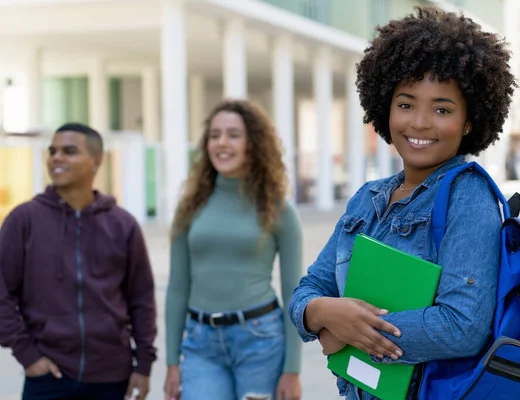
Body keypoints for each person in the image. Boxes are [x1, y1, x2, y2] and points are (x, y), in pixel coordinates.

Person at [288, 7, 517, 400]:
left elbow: (461, 325)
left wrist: (350, 333)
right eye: (406, 104)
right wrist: (322, 315)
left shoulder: (468, 196)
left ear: (469, 122)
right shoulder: (366, 199)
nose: (420, 122)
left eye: (442, 109)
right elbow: (309, 288)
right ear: (385, 108)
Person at [0, 123, 157, 400]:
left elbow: (141, 298)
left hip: (112, 376)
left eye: (69, 151)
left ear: (96, 162)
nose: (56, 158)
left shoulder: (122, 224)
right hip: (49, 374)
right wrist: (27, 354)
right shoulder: (24, 220)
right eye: (53, 151)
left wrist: (143, 364)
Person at [163, 100, 303, 400]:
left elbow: (294, 291)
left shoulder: (278, 208)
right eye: (214, 135)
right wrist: (172, 363)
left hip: (260, 341)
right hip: (200, 344)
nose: (221, 143)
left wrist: (292, 370)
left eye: (233, 135)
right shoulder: (190, 208)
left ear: (253, 143)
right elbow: (176, 288)